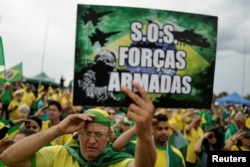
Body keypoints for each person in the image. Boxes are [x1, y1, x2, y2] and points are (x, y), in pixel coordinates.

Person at [0, 82, 156, 167]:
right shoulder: (59, 155)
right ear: (78, 134)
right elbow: (8, 158)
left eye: (99, 135)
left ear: (110, 136)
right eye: (86, 134)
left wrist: (144, 134)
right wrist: (59, 129)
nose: (92, 141)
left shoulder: (117, 161)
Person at [113, 113, 186, 167]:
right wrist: (139, 126)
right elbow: (117, 146)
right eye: (159, 129)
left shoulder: (176, 154)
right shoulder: (139, 146)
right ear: (152, 129)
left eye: (166, 128)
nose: (164, 132)